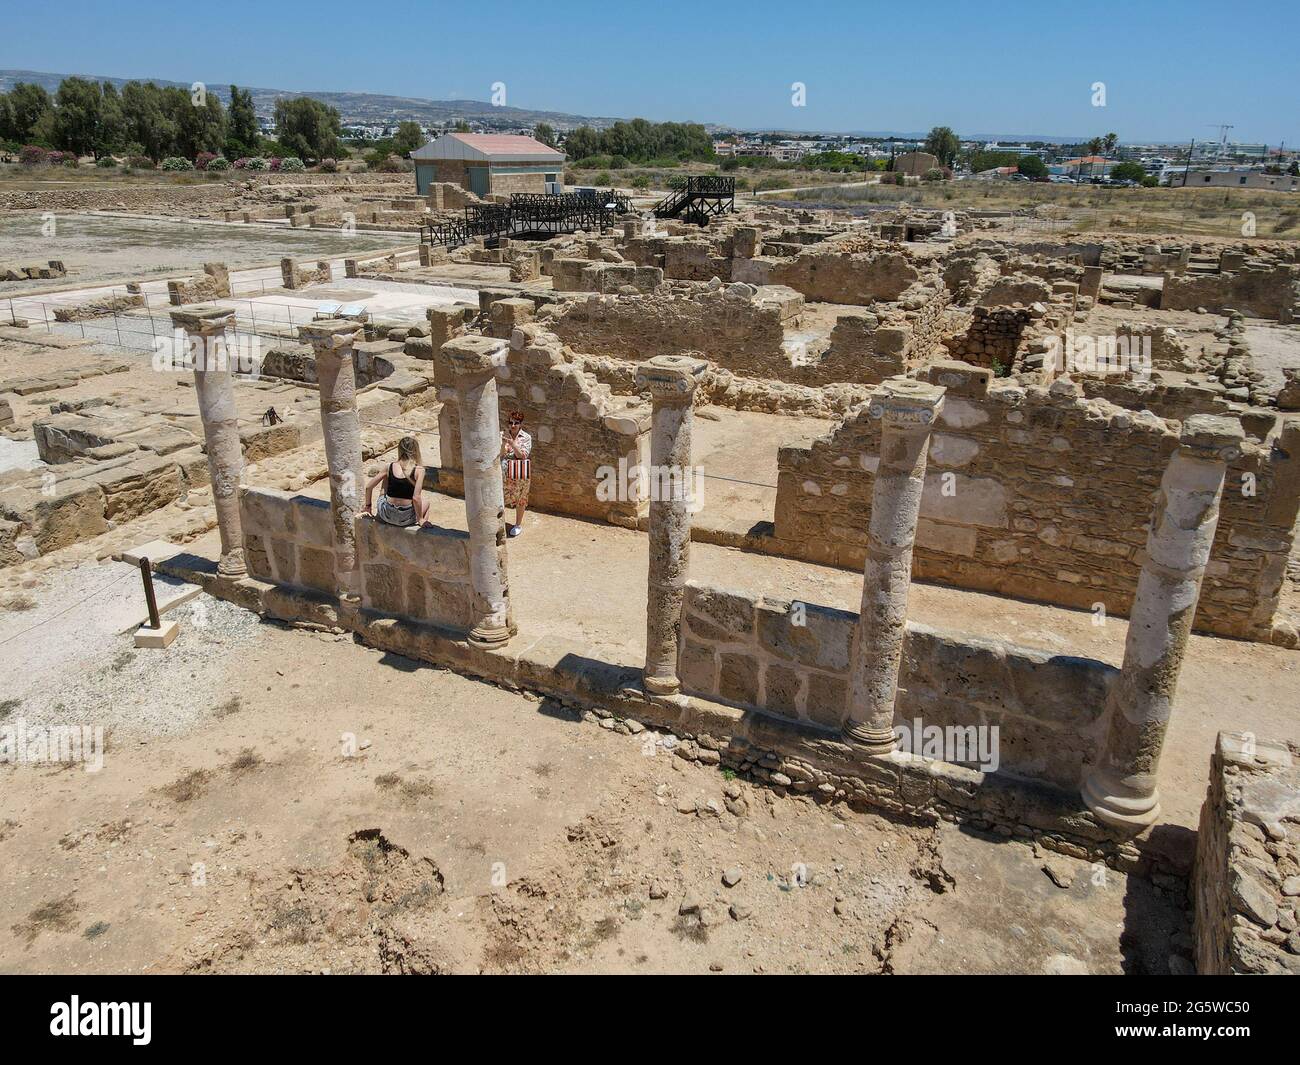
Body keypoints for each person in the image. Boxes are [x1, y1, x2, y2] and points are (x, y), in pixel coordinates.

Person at [363, 436, 427, 527]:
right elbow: (416, 498)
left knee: (386, 476)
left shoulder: (389, 466)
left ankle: (379, 514)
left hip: (386, 515)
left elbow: (368, 487)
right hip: (406, 518)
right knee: (426, 504)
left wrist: (368, 507)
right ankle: (422, 526)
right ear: (416, 450)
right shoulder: (419, 470)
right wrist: (420, 518)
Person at [501, 410, 532, 537]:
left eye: (516, 423)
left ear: (521, 424)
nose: (513, 425)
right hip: (503, 472)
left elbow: (523, 455)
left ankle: (518, 524)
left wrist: (513, 445)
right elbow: (501, 454)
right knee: (500, 497)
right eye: (511, 422)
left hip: (519, 470)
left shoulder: (526, 437)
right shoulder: (502, 435)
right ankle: (500, 522)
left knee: (521, 498)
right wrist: (503, 444)